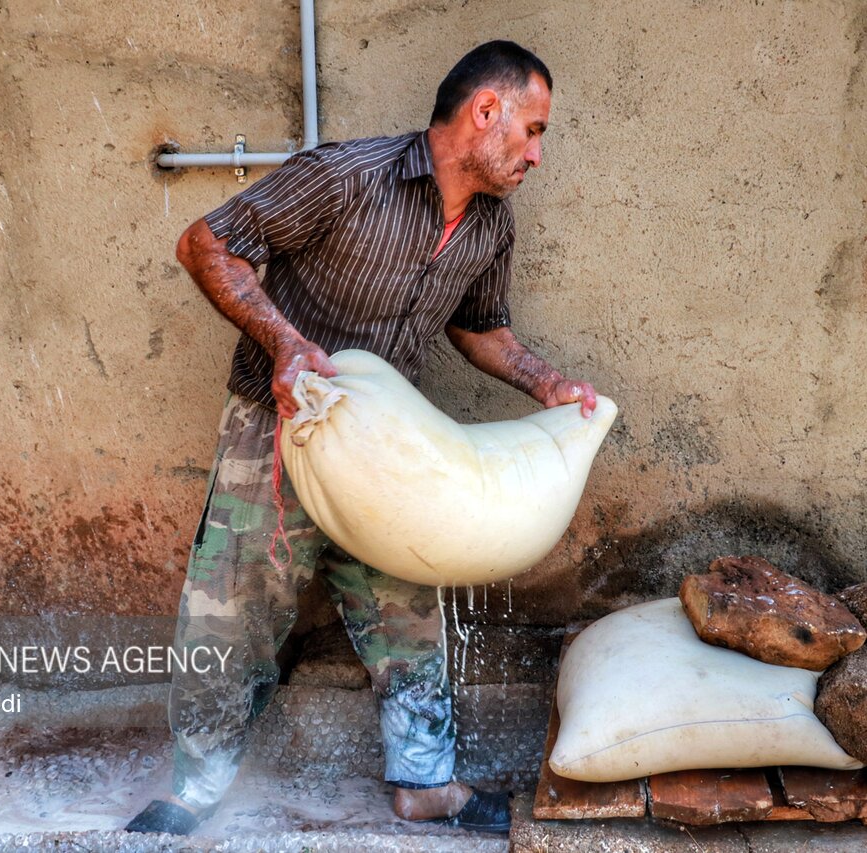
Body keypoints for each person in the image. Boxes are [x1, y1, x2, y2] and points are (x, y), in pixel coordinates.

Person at [125, 39, 597, 838]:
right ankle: (196, 786)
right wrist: (284, 342)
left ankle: (424, 785)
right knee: (233, 609)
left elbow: (480, 329)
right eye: (533, 130)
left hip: (383, 448)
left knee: (407, 607)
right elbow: (207, 244)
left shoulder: (491, 225)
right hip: (279, 429)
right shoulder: (348, 176)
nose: (537, 155)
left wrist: (546, 384)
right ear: (487, 112)